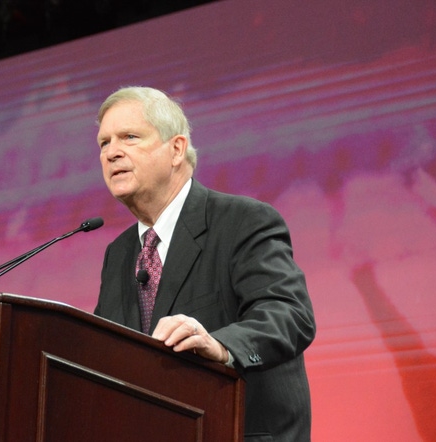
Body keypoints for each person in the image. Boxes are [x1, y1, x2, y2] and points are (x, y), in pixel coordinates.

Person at [93, 86, 316, 441]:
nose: (112, 153)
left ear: (177, 149)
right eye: (104, 143)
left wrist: (222, 346)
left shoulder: (243, 221)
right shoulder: (118, 254)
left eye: (129, 137)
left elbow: (290, 315)